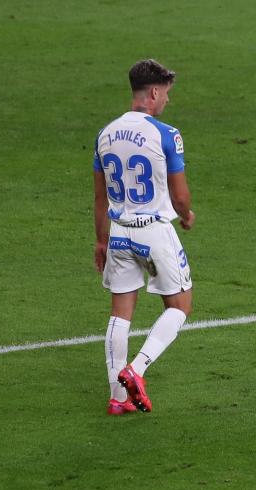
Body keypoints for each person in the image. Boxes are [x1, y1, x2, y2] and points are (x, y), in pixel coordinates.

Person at [93, 59, 195, 415]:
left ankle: (117, 399)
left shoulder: (105, 134)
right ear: (153, 92)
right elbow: (180, 197)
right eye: (165, 93)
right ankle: (136, 370)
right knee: (180, 306)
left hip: (119, 233)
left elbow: (100, 198)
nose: (167, 100)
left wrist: (101, 241)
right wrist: (186, 215)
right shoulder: (167, 134)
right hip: (153, 232)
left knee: (120, 314)